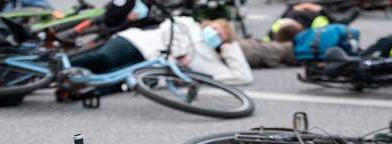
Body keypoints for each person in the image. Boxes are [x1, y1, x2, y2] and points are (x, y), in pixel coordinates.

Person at [66, 1, 253, 87]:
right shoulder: (189, 24)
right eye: (214, 27)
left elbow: (242, 76)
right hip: (137, 42)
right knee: (103, 59)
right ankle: (58, 64)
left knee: (111, 80)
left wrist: (230, 46)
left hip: (149, 62)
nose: (214, 33)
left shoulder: (211, 61)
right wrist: (179, 52)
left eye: (220, 35)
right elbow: (167, 27)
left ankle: (68, 88)